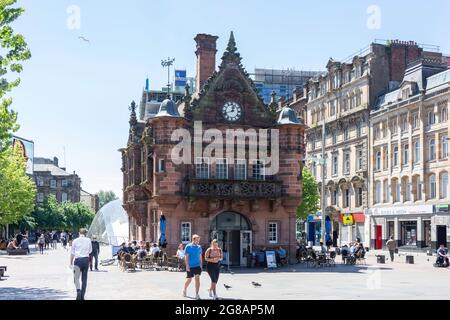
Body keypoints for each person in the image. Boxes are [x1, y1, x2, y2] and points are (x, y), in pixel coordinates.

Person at [70, 228, 92, 300]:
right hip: (85, 260)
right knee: (84, 279)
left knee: (76, 278)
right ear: (85, 233)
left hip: (78, 260)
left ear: (79, 233)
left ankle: (78, 291)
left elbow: (72, 253)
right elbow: (90, 251)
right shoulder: (88, 240)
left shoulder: (75, 240)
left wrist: (70, 262)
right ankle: (82, 295)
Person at [183, 234, 203, 300]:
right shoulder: (188, 246)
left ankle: (197, 294)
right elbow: (186, 256)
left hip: (197, 265)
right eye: (197, 240)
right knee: (189, 280)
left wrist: (201, 265)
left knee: (197, 279)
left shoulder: (199, 247)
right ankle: (184, 290)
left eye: (199, 240)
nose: (198, 241)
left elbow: (200, 256)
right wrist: (187, 265)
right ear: (193, 239)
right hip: (190, 265)